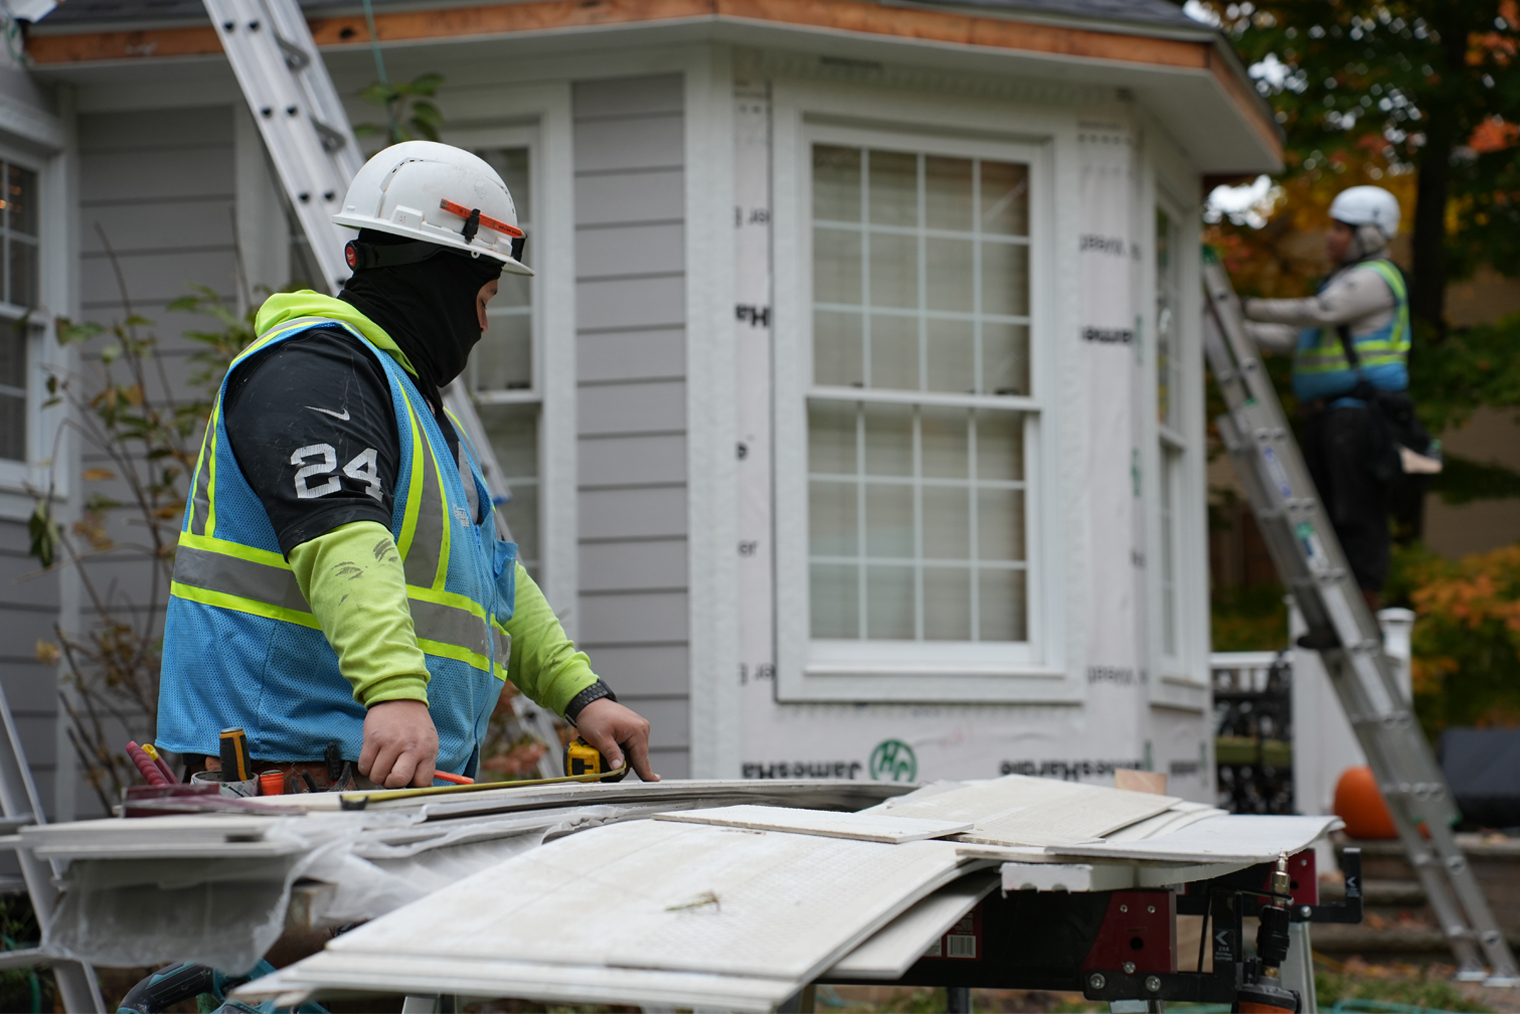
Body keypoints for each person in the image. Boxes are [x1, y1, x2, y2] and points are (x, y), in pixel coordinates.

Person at [157, 142, 656, 788]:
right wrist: (393, 689)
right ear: (442, 280)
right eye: (484, 295)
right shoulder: (316, 374)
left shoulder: (412, 413)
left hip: (381, 785)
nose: (482, 323)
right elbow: (341, 542)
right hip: (292, 784)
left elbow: (498, 585)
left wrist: (583, 696)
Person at [1241, 185, 1432, 613]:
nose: (1331, 237)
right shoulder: (1339, 283)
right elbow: (1294, 335)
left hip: (1359, 415)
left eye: (1342, 229)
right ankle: (1332, 607)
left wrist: (1245, 306)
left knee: (1356, 512)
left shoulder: (1375, 279)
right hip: (1327, 417)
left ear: (1370, 235)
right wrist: (1224, 327)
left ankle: (1362, 600)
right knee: (1322, 514)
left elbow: (1318, 312)